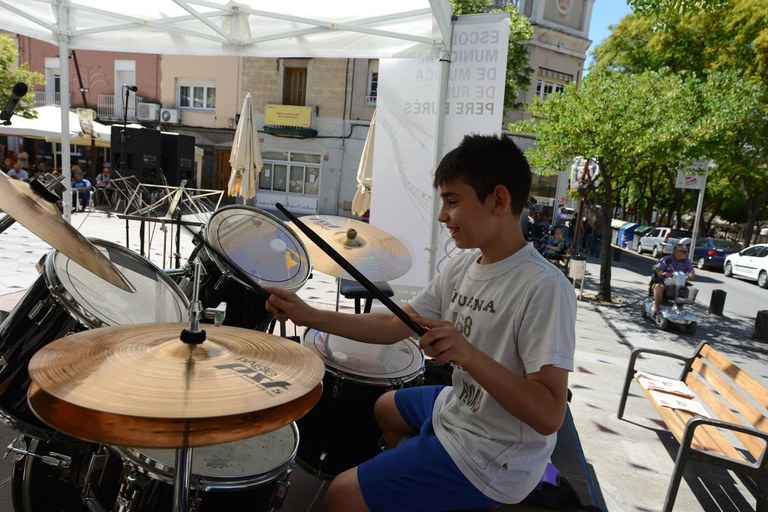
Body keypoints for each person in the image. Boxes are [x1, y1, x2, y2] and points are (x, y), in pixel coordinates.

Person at [265, 134, 577, 512]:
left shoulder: (544, 287)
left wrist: (469, 356)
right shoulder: (465, 266)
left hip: (495, 455)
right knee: (385, 408)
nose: (443, 216)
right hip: (462, 409)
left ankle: (424, 480)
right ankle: (420, 487)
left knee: (342, 495)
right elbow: (398, 325)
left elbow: (548, 415)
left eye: (452, 202)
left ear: (498, 200)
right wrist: (308, 314)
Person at [651, 243, 695, 315]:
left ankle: (679, 307)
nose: (686, 254)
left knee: (687, 290)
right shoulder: (667, 259)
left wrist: (690, 275)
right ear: (676, 252)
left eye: (687, 252)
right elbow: (658, 269)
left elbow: (691, 272)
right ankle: (656, 308)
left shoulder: (687, 261)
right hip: (666, 281)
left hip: (679, 281)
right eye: (684, 252)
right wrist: (664, 273)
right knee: (659, 287)